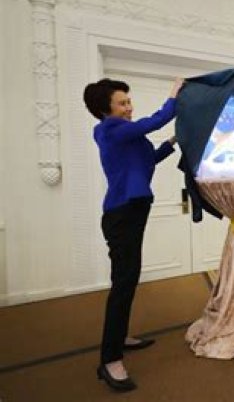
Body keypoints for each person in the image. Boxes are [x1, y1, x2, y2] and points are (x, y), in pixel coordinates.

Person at [83, 77, 183, 391]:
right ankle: (109, 360)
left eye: (129, 101)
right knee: (123, 284)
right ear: (105, 110)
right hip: (121, 216)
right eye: (123, 103)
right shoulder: (109, 130)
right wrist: (174, 95)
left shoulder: (127, 136)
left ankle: (120, 336)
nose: (129, 107)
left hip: (133, 212)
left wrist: (172, 142)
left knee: (128, 279)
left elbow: (148, 160)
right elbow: (155, 120)